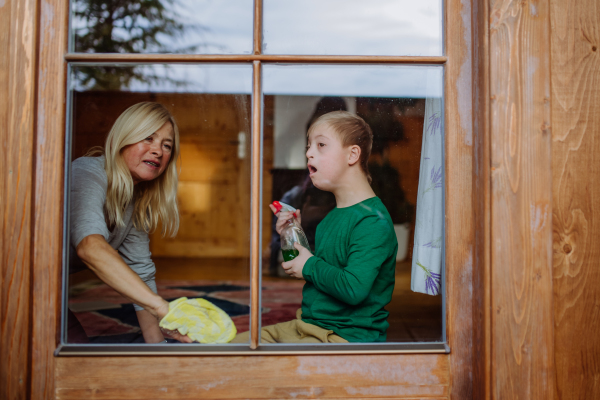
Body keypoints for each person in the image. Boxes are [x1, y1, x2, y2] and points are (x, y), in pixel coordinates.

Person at [233, 111, 397, 343]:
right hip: (309, 325)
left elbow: (353, 289)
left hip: (344, 336)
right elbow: (316, 273)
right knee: (238, 346)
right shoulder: (331, 219)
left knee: (274, 366)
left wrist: (308, 264)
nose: (309, 153)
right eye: (308, 146)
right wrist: (292, 234)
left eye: (321, 145)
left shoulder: (372, 221)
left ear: (352, 155)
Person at [68, 102, 191, 343]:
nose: (158, 151)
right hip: (16, 281)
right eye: (148, 138)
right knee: (73, 366)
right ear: (123, 139)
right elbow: (90, 247)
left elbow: (141, 275)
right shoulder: (86, 173)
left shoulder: (134, 201)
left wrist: (159, 350)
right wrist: (161, 308)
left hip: (40, 288)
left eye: (167, 145)